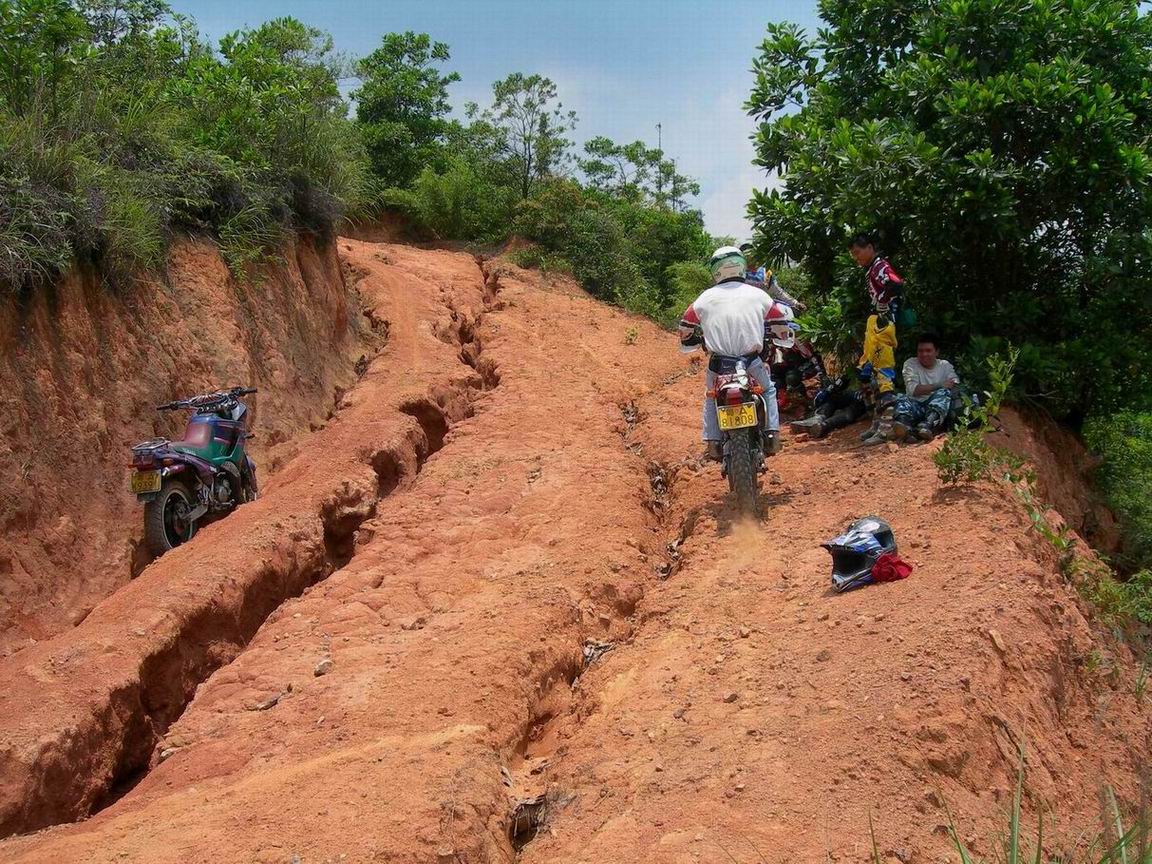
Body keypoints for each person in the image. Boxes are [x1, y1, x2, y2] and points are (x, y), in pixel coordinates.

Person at [680, 246, 781, 461]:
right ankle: (772, 434)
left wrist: (691, 339)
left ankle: (713, 441)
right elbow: (779, 319)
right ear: (741, 266)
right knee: (769, 390)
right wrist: (780, 334)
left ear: (715, 270)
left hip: (719, 365)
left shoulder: (704, 298)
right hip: (751, 362)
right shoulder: (758, 294)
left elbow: (685, 324)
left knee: (711, 396)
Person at [890, 334, 960, 441]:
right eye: (920, 351)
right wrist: (940, 384)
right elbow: (913, 390)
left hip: (936, 409)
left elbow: (954, 384)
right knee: (901, 398)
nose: (924, 354)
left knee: (944, 393)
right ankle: (905, 427)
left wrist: (944, 388)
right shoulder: (910, 364)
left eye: (928, 350)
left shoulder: (945, 365)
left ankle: (927, 425)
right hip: (915, 406)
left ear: (936, 352)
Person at [790, 374, 868, 439]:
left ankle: (823, 426)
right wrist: (830, 390)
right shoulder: (830, 374)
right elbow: (818, 400)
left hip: (859, 404)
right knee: (830, 402)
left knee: (849, 413)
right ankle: (815, 420)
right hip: (839, 401)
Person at [848, 233, 903, 323]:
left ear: (870, 247)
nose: (855, 258)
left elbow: (896, 284)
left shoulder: (879, 266)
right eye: (853, 255)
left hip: (892, 322)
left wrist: (883, 301)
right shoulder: (873, 268)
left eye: (857, 252)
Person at [739, 242, 806, 310]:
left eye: (751, 254)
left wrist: (795, 303)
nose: (749, 257)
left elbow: (778, 292)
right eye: (745, 255)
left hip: (761, 311)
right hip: (741, 309)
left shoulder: (765, 273)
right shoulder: (737, 272)